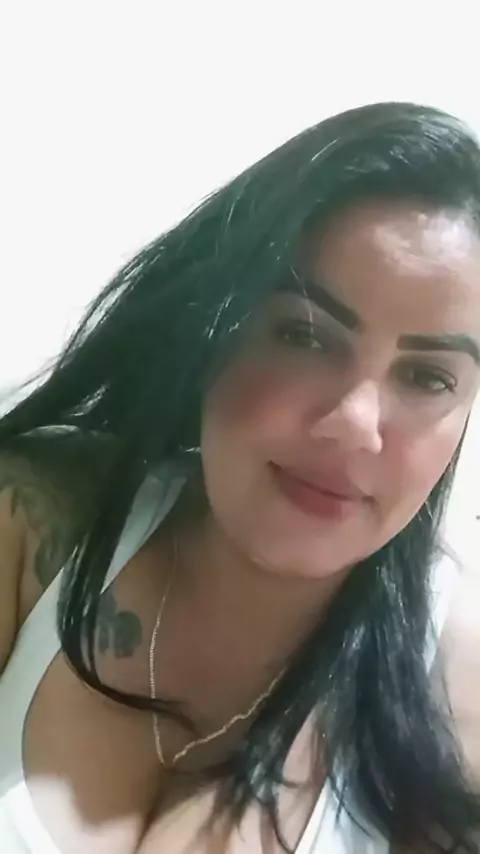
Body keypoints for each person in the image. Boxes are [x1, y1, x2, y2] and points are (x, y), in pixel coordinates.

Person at [1, 101, 480, 854]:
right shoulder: (36, 516)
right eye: (306, 335)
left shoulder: (456, 697)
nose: (354, 422)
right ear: (219, 330)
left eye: (427, 378)